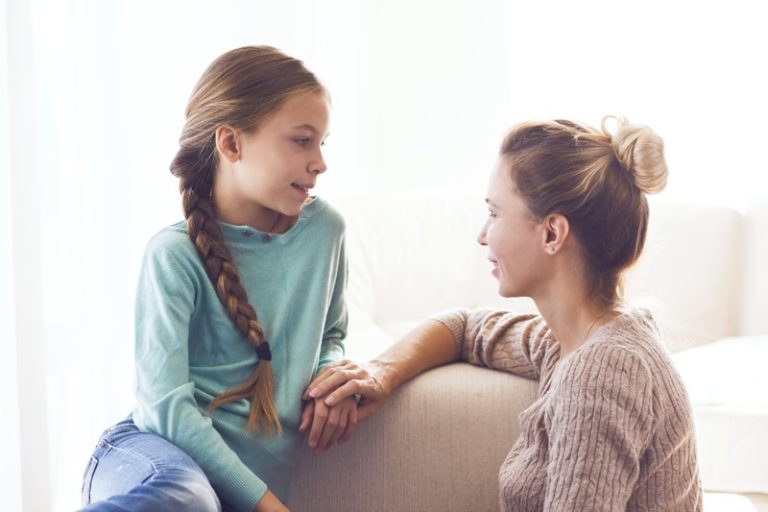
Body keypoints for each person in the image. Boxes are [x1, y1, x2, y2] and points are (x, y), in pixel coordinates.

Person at [305, 117, 703, 510]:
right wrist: (380, 372)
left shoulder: (603, 371)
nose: (482, 235)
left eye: (494, 213)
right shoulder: (570, 342)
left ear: (551, 233)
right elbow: (465, 328)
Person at [79, 46, 358, 512]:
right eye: (301, 140)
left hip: (220, 488)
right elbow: (164, 409)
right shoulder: (173, 255)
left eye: (322, 143)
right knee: (186, 500)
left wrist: (332, 381)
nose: (320, 163)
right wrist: (266, 503)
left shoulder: (326, 232)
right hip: (154, 454)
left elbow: (331, 334)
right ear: (231, 144)